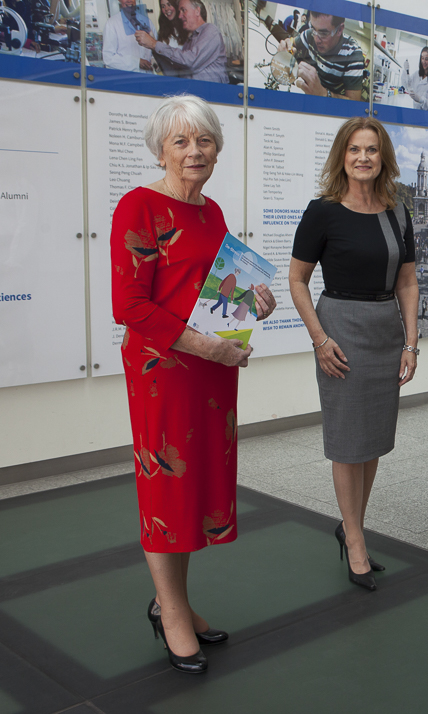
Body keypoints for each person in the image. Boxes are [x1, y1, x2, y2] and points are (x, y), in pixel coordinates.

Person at [110, 94, 277, 674]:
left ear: (217, 147)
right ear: (161, 148)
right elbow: (129, 305)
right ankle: (173, 614)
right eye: (181, 141)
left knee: (196, 483)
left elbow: (217, 294)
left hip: (210, 372)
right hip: (162, 372)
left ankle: (173, 601)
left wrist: (254, 302)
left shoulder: (211, 213)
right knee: (166, 487)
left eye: (203, 140)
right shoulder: (139, 207)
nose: (194, 151)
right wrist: (206, 345)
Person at [289, 117, 418, 592]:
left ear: (382, 156)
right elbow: (297, 279)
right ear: (342, 156)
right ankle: (357, 540)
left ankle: (351, 527)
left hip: (385, 332)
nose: (363, 157)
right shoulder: (322, 211)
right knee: (347, 441)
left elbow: (406, 281)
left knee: (372, 439)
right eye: (354, 149)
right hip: (340, 329)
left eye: (372, 149)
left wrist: (411, 342)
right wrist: (319, 338)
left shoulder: (396, 212)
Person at [135, 0, 227, 84]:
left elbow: (190, 61)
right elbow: (174, 73)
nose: (179, 16)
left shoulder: (210, 31)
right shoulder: (190, 41)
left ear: (197, 11)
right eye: (179, 11)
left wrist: (154, 44)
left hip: (210, 96)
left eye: (183, 10)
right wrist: (153, 48)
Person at [277, 12, 365, 100]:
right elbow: (292, 42)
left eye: (323, 33)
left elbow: (353, 102)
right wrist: (286, 46)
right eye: (313, 28)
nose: (316, 39)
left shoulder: (353, 54)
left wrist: (323, 94)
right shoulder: (310, 34)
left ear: (339, 30)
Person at [103, 0, 154, 73]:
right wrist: (137, 62)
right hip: (127, 78)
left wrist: (153, 61)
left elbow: (155, 47)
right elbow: (108, 58)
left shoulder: (146, 21)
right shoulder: (111, 24)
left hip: (148, 76)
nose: (129, 0)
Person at [154, 0, 189, 77]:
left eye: (169, 4)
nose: (166, 9)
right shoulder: (162, 31)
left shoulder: (187, 27)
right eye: (163, 6)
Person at [402, 46, 428, 111]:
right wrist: (406, 71)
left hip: (426, 116)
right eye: (422, 58)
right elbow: (407, 85)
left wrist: (420, 99)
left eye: (426, 59)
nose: (424, 61)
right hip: (415, 112)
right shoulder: (416, 74)